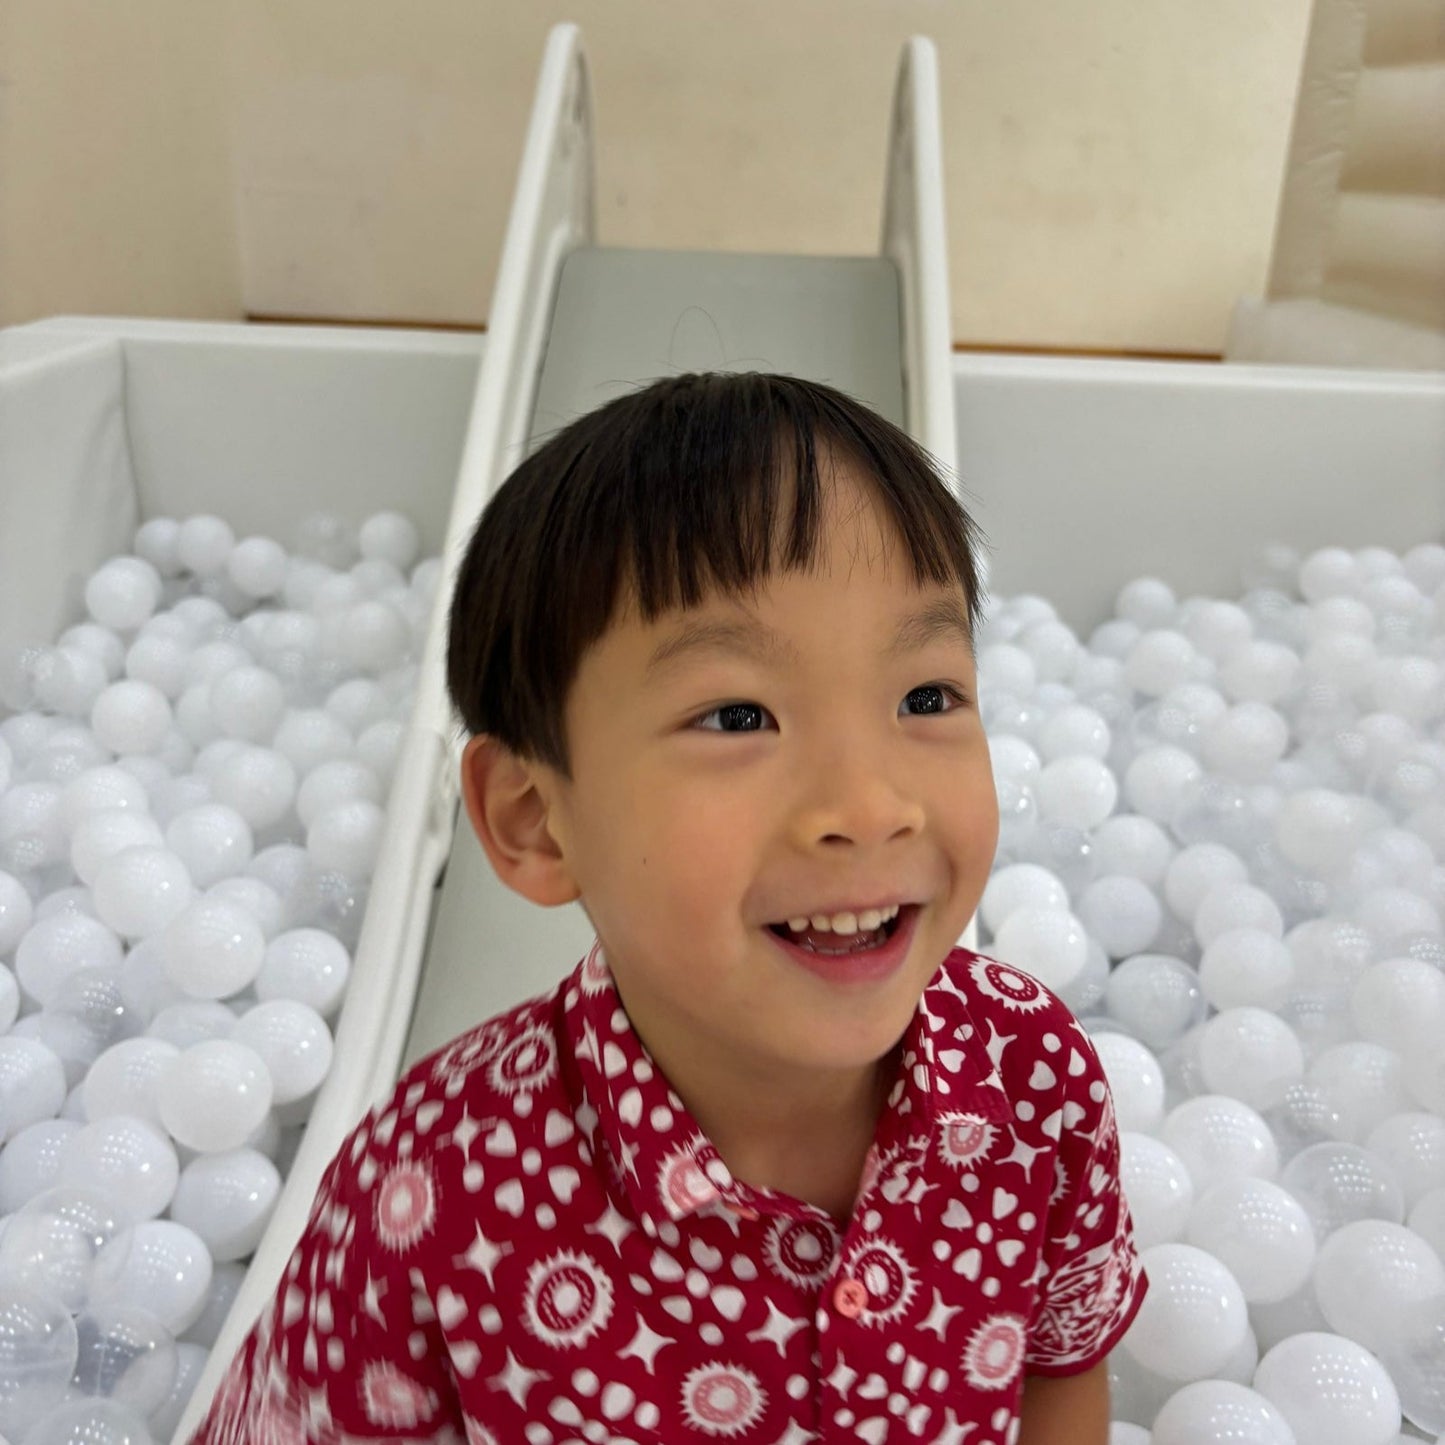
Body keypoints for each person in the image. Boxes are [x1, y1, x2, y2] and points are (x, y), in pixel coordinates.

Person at [191, 372, 1147, 1445]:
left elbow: (1060, 1361)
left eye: (925, 696)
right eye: (737, 714)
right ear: (535, 819)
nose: (870, 806)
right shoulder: (428, 1194)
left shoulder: (1031, 1072)